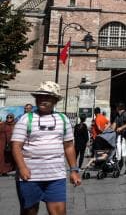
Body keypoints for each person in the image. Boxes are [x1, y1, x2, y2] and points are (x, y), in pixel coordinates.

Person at [10, 81, 81, 215]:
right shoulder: (26, 119)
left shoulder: (63, 119)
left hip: (56, 177)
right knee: (29, 212)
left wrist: (74, 170)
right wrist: (23, 168)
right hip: (30, 177)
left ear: (55, 100)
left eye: (47, 97)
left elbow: (69, 146)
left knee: (59, 212)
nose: (42, 100)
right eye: (39, 97)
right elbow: (16, 146)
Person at [111, 103, 126, 176]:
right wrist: (108, 131)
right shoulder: (117, 116)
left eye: (116, 108)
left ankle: (118, 170)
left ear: (118, 108)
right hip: (121, 137)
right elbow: (113, 125)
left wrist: (121, 128)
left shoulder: (125, 114)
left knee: (122, 153)